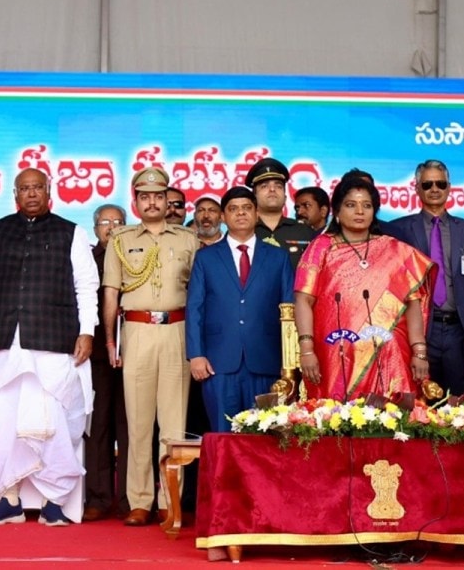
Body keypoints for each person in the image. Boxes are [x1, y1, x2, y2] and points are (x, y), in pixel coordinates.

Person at [0, 168, 97, 526]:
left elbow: (86, 287)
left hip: (53, 340)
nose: (31, 194)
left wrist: (86, 331)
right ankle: (8, 499)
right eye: (24, 188)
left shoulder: (71, 231)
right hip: (2, 339)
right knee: (1, 418)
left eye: (37, 187)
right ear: (15, 193)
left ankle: (55, 501)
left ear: (48, 191)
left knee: (53, 418)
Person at [102, 167, 199, 527]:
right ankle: (139, 501)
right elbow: (112, 292)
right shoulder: (121, 240)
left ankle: (168, 500)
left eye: (159, 196)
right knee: (139, 423)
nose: (153, 201)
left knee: (173, 426)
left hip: (177, 330)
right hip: (138, 330)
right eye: (145, 196)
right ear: (137, 201)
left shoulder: (187, 239)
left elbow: (198, 294)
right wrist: (111, 339)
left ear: (167, 200)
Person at [294, 173, 434, 401]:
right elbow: (303, 300)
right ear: (337, 212)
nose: (360, 211)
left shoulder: (394, 250)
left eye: (367, 206)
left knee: (396, 424)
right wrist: (307, 350)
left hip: (390, 354)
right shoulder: (321, 248)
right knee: (338, 422)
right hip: (338, 351)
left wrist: (419, 352)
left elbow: (413, 303)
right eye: (351, 205)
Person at [186, 186, 294, 432]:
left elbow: (288, 310)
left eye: (247, 208)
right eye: (233, 209)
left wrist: (288, 361)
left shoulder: (278, 257)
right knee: (224, 435)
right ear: (223, 216)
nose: (241, 214)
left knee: (265, 438)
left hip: (267, 361)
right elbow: (195, 309)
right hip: (218, 362)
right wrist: (196, 355)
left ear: (257, 214)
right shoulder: (207, 257)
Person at [382, 160, 464, 395]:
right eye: (427, 184)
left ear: (449, 187)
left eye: (440, 183)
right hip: (416, 328)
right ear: (416, 188)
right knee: (417, 401)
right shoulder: (398, 230)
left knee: (461, 401)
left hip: (460, 329)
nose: (434, 189)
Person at [85, 204, 130, 522]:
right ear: (95, 228)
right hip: (97, 355)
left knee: (131, 428)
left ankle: (131, 498)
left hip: (134, 353)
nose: (112, 227)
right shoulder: (86, 260)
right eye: (105, 222)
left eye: (118, 222)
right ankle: (98, 497)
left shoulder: (137, 256)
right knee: (97, 426)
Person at [246, 158, 317, 267]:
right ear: (254, 198)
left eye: (278, 186)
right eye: (264, 186)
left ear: (285, 197)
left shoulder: (305, 231)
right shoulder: (243, 231)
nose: (272, 189)